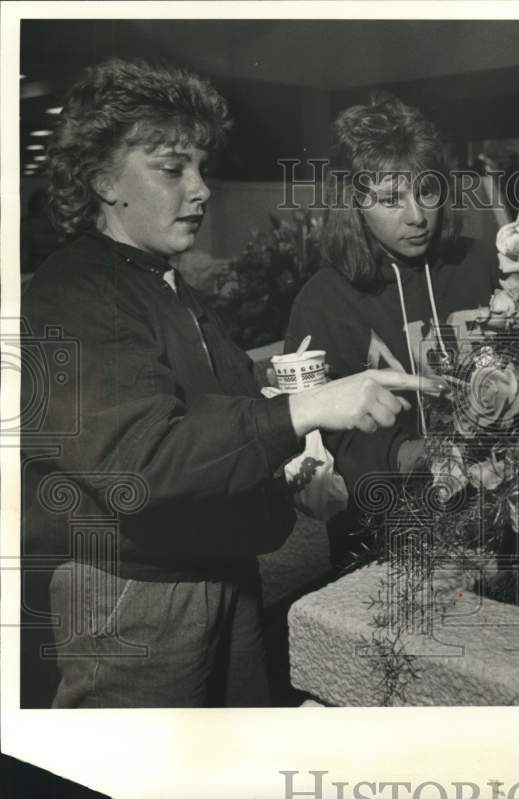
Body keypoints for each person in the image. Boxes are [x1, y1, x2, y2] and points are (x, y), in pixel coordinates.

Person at [22, 59, 428, 708]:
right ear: (103, 179)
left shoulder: (169, 288)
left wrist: (291, 482)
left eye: (202, 167)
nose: (203, 188)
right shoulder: (75, 288)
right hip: (135, 596)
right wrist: (311, 405)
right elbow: (146, 462)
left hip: (221, 574)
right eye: (172, 168)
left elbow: (222, 428)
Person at [284, 95, 498, 573]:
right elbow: (319, 438)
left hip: (497, 523)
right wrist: (412, 454)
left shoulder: (480, 264)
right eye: (390, 199)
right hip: (383, 544)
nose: (417, 216)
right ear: (354, 205)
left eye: (426, 191)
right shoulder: (322, 302)